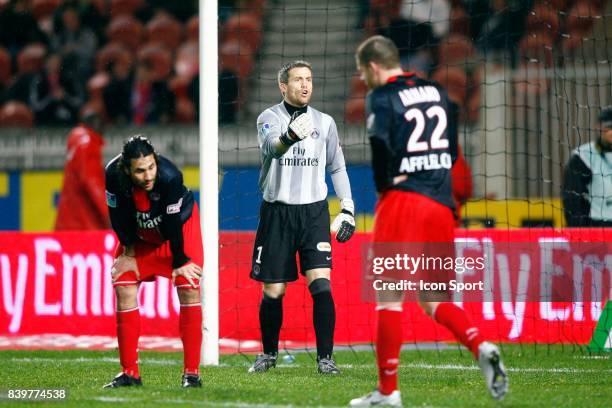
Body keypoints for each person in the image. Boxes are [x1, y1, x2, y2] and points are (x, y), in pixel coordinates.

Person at [349, 36, 508, 406]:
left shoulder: (382, 96)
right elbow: (452, 150)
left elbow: (380, 146)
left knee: (389, 297)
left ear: (373, 66)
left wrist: (386, 184)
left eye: (362, 71)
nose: (363, 78)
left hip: (404, 201)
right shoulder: (437, 91)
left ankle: (388, 392)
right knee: (434, 298)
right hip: (441, 204)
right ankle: (480, 345)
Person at [248, 60, 355, 375]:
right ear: (283, 86)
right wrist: (289, 137)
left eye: (309, 79)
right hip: (277, 212)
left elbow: (337, 166)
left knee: (321, 283)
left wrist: (346, 206)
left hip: (313, 212)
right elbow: (271, 149)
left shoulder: (325, 122)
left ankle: (326, 359)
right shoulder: (268, 118)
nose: (305, 85)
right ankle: (268, 354)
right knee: (273, 290)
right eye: (298, 80)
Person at [103, 136, 203, 388]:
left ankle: (191, 374)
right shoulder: (113, 176)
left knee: (188, 285)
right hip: (141, 236)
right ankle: (130, 374)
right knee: (123, 284)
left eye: (151, 167)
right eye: (140, 170)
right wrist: (128, 252)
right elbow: (117, 218)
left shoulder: (170, 177)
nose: (148, 175)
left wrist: (180, 261)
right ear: (127, 169)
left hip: (180, 231)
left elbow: (171, 224)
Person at [55, 110, 109, 230]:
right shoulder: (88, 143)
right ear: (97, 124)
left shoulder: (75, 141)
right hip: (84, 224)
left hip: (67, 220)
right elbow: (92, 181)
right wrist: (109, 213)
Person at [562, 106, 612, 227]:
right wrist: (580, 233)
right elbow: (572, 200)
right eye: (608, 127)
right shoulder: (583, 157)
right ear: (599, 127)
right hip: (598, 226)